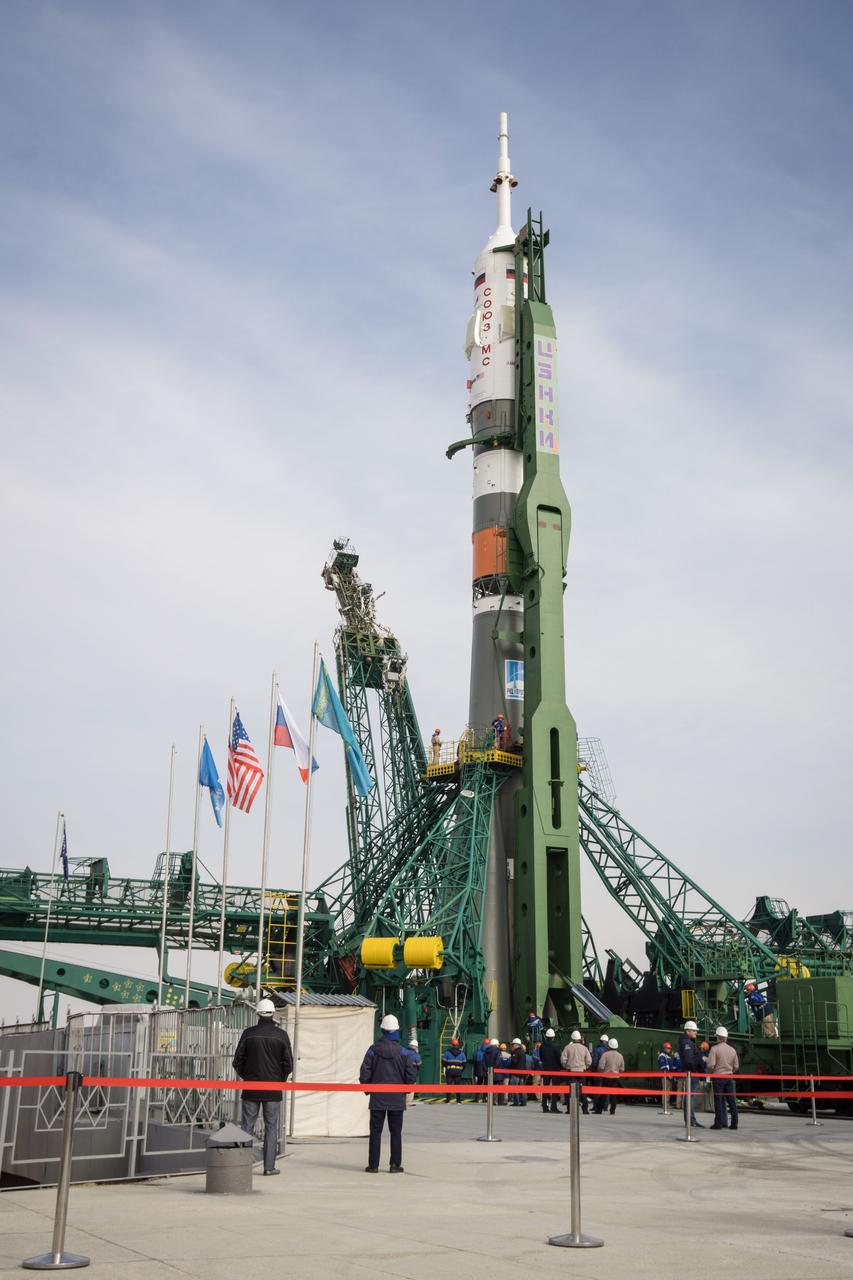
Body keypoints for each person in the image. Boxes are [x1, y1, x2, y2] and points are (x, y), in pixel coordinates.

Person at [232, 997, 293, 1176]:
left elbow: (237, 1061)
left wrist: (247, 1076)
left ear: (257, 1013)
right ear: (273, 1013)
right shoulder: (282, 1035)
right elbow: (288, 1064)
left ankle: (242, 1167)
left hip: (251, 1088)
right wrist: (278, 1080)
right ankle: (269, 1167)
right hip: (272, 1089)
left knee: (247, 1126)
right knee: (271, 1127)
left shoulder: (248, 1034)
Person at [359, 1013, 419, 1173]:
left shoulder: (372, 1051)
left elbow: (365, 1072)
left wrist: (368, 1089)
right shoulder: (405, 1053)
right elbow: (411, 1075)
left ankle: (373, 1165)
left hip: (377, 1098)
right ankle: (395, 1165)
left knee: (375, 1132)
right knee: (396, 1133)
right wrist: (406, 1091)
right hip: (397, 1099)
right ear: (396, 1031)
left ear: (383, 1030)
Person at [706, 1027, 739, 1131]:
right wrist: (730, 1071)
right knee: (731, 1101)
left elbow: (711, 1065)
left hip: (718, 1078)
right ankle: (734, 1123)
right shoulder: (732, 1050)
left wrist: (711, 1073)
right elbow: (736, 1066)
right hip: (729, 1077)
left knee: (718, 1100)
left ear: (717, 1037)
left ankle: (718, 1124)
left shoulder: (714, 1049)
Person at [677, 1020, 705, 1127]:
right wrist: (695, 1070)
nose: (696, 1032)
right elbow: (689, 1061)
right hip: (691, 1073)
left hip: (691, 1073)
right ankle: (690, 1121)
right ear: (687, 1031)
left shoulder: (688, 1042)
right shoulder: (686, 1043)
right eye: (694, 1030)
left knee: (690, 1096)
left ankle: (691, 1120)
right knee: (690, 1097)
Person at [560, 1030, 592, 1114]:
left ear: (572, 1038)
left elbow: (563, 1060)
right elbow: (589, 1061)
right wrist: (585, 1067)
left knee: (570, 1091)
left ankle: (570, 1109)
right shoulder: (584, 1048)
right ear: (579, 1038)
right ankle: (585, 1110)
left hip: (571, 1072)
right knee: (583, 1091)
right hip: (581, 1072)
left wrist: (566, 1066)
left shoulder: (567, 1047)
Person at [595, 1037, 625, 1115]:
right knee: (613, 1096)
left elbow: (601, 1067)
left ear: (609, 1046)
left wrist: (601, 1072)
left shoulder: (605, 1054)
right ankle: (612, 1111)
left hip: (606, 1077)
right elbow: (622, 1069)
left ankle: (599, 1110)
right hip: (615, 1078)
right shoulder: (620, 1056)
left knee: (603, 1095)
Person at [538, 1028, 562, 1114]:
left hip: (546, 1069)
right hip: (555, 1070)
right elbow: (559, 1059)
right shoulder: (556, 1046)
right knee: (555, 1089)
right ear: (553, 1037)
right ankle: (553, 1107)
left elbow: (541, 1057)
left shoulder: (542, 1046)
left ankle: (544, 1107)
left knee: (545, 1088)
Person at [442, 1038, 467, 1103]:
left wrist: (447, 1067)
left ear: (451, 1044)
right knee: (457, 1086)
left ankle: (448, 1100)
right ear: (457, 1045)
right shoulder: (462, 1053)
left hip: (449, 1070)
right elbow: (464, 1064)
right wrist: (461, 1070)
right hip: (458, 1071)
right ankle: (458, 1100)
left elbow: (443, 1062)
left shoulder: (447, 1052)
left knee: (449, 1085)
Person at [483, 1037, 503, 1104]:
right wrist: (494, 1069)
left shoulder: (486, 1051)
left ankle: (490, 1100)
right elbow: (498, 1062)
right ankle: (497, 1101)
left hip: (488, 1072)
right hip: (497, 1073)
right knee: (498, 1087)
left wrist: (487, 1070)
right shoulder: (498, 1051)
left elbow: (483, 1062)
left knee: (490, 1087)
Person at [509, 1038, 528, 1106]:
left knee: (515, 1087)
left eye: (513, 1044)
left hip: (516, 1072)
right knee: (522, 1088)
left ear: (516, 1045)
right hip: (522, 1073)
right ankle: (524, 1101)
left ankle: (516, 1102)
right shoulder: (523, 1052)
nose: (512, 1046)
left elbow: (514, 1062)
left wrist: (512, 1055)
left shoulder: (515, 1052)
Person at [473, 1037, 490, 1101]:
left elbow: (474, 1062)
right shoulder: (489, 1052)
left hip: (479, 1071)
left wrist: (475, 1073)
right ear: (488, 1044)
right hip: (486, 1070)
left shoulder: (478, 1052)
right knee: (486, 1084)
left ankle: (476, 1098)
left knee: (479, 1083)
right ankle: (484, 1098)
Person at [406, 1038, 421, 1107]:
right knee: (411, 1088)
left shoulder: (404, 1052)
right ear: (416, 1047)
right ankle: (409, 1102)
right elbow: (419, 1064)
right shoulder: (416, 1055)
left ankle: (403, 1101)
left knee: (404, 1086)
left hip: (404, 1073)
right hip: (412, 1073)